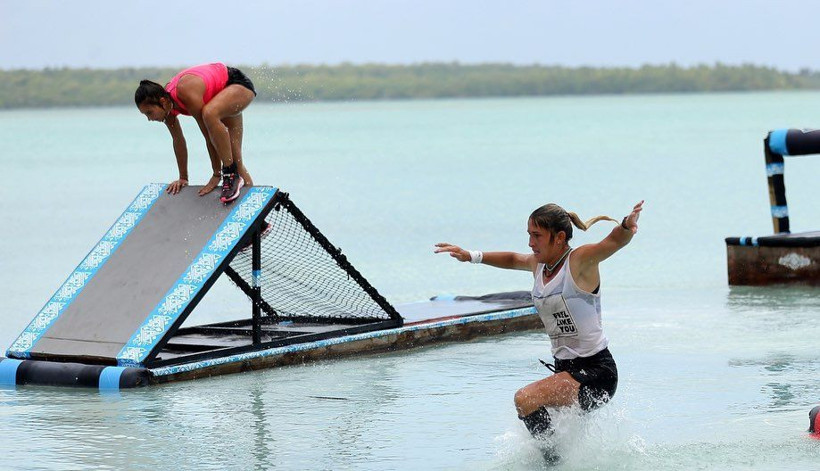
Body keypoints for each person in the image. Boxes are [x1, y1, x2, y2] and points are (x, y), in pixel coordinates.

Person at [434, 200, 643, 451]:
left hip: (597, 372)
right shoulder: (539, 265)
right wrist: (472, 256)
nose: (530, 243)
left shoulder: (579, 261)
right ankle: (563, 461)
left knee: (526, 398)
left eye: (537, 236)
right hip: (564, 370)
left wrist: (626, 226)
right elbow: (512, 258)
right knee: (545, 420)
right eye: (529, 235)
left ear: (559, 237)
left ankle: (552, 463)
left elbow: (611, 243)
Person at [135, 63, 257, 204]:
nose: (150, 119)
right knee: (236, 160)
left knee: (209, 114)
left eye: (149, 112)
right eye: (145, 115)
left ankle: (229, 174)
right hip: (219, 97)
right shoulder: (167, 110)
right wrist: (183, 178)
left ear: (162, 101)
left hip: (236, 85)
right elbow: (178, 141)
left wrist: (217, 174)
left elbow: (208, 135)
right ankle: (258, 220)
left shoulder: (184, 92)